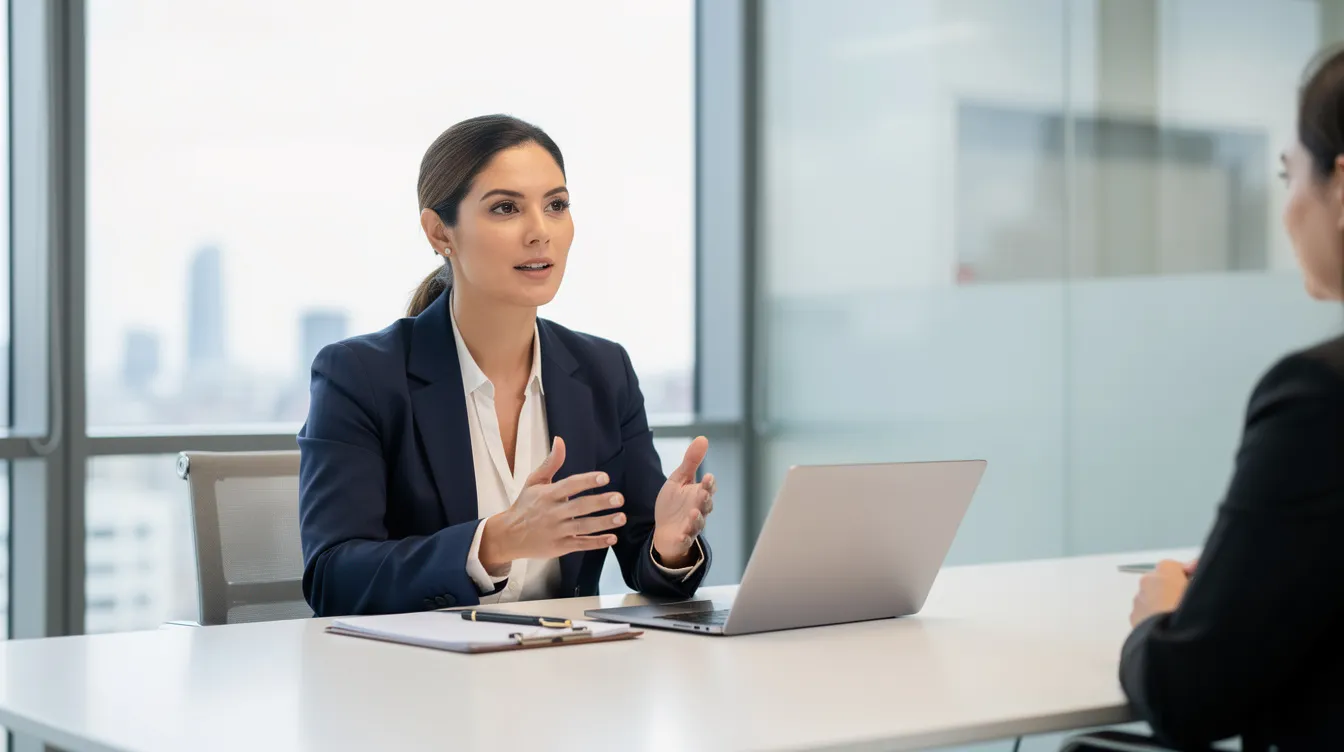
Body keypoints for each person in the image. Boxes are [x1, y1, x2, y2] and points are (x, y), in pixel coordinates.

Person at [297, 115, 715, 617]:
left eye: (556, 205)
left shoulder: (604, 371)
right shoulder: (361, 376)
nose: (540, 232)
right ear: (439, 232)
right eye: (505, 208)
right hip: (420, 681)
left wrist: (669, 545)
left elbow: (644, 563)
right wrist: (494, 543)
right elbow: (333, 578)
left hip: (568, 677)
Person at [1120, 45, 1344, 750]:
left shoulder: (1320, 398)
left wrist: (1158, 621)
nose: (1287, 211)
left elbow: (1191, 693)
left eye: (1289, 176)